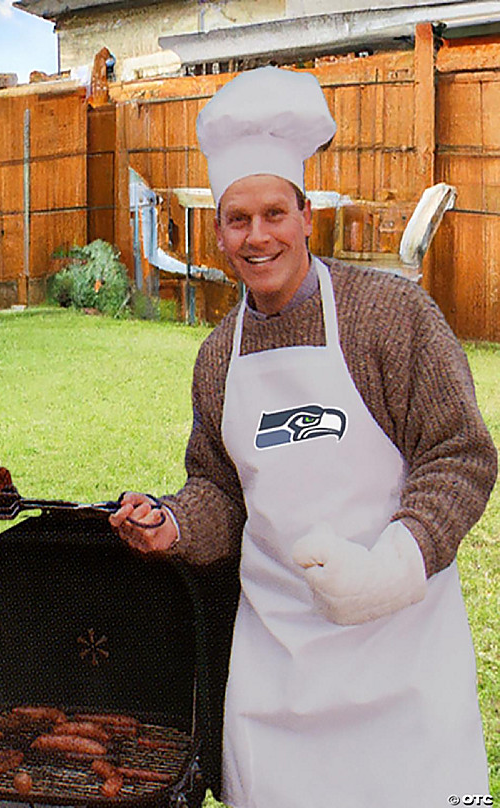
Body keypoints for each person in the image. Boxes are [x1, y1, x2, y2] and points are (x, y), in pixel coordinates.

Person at [109, 66, 497, 807]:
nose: (258, 237)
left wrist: (394, 564)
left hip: (401, 657)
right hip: (278, 663)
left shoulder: (390, 316)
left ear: (306, 214)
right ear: (218, 231)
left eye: (273, 214)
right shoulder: (219, 354)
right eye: (237, 219)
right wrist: (175, 522)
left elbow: (460, 454)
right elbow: (221, 488)